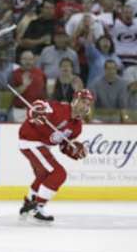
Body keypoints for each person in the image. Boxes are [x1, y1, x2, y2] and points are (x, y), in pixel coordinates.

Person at [18, 89, 94, 223]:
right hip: (30, 141)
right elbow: (36, 106)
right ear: (75, 100)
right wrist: (36, 112)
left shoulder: (77, 127)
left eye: (88, 104)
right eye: (83, 102)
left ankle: (28, 204)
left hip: (41, 146)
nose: (86, 106)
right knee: (58, 174)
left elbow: (63, 145)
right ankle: (37, 207)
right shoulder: (58, 109)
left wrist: (73, 150)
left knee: (44, 176)